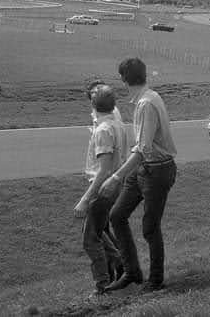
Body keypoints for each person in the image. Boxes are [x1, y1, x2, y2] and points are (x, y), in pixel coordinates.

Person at [100, 58, 178, 293]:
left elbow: (143, 149)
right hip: (144, 169)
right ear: (144, 75)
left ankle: (155, 281)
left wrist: (115, 177)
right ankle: (132, 272)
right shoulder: (149, 97)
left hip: (158, 170)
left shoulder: (146, 103)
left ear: (123, 80)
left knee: (149, 227)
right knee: (117, 215)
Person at [74, 84, 128, 296]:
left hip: (103, 189)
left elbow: (104, 169)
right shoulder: (116, 123)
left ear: (92, 104)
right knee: (100, 232)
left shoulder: (104, 130)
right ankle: (121, 265)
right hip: (113, 186)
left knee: (90, 240)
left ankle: (103, 286)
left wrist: (85, 199)